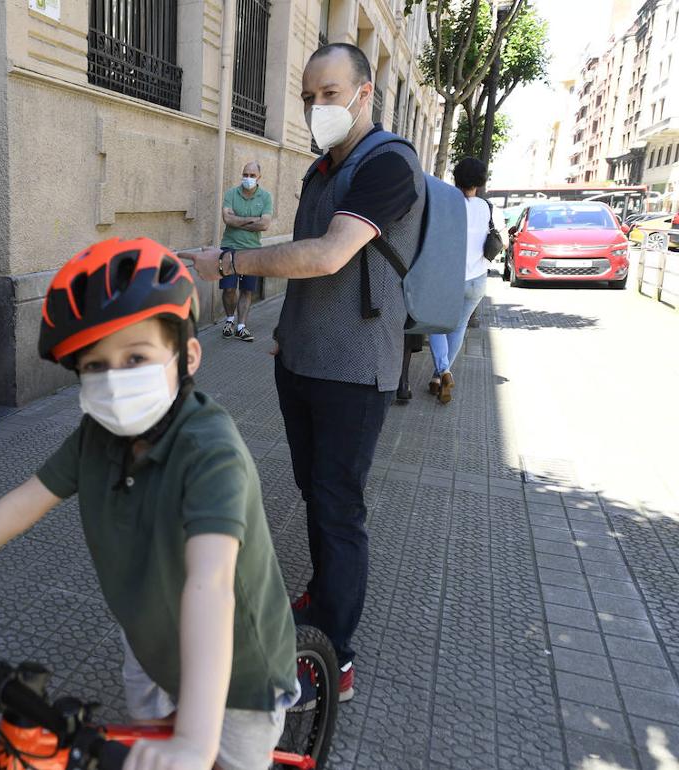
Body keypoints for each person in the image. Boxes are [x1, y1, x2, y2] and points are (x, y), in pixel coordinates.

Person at [0, 238, 298, 770]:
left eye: (136, 357)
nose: (115, 380)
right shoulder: (97, 436)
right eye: (95, 366)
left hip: (238, 672)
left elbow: (212, 583)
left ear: (188, 355)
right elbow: (24, 503)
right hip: (149, 643)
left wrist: (197, 739)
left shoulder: (210, 451)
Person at [187, 43, 425, 702]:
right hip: (302, 362)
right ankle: (323, 596)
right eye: (308, 95)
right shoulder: (323, 170)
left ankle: (336, 657)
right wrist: (287, 336)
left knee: (338, 509)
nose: (317, 106)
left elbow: (324, 257)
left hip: (355, 374)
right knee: (314, 494)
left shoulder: (390, 165)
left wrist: (229, 263)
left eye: (329, 93)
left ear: (364, 93)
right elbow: (303, 269)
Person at [426, 157, 491, 404]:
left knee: (433, 323)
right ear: (480, 182)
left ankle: (443, 370)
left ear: (456, 177)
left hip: (447, 278)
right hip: (477, 279)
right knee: (458, 327)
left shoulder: (447, 203)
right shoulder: (487, 207)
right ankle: (437, 378)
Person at [219, 161, 274, 342]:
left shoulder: (265, 197)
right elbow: (227, 219)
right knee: (228, 288)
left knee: (246, 290)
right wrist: (252, 220)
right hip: (230, 247)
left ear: (259, 177)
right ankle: (229, 320)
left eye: (252, 175)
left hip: (252, 250)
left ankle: (241, 327)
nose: (247, 178)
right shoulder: (230, 194)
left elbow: (265, 224)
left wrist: (238, 219)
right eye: (245, 174)